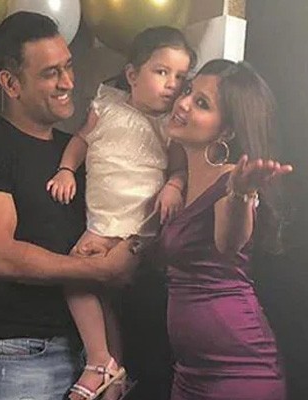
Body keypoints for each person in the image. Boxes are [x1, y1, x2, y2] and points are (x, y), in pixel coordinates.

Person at [0, 12, 139, 400]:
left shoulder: (75, 152)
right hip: (23, 353)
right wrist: (100, 269)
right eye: (50, 73)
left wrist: (113, 364)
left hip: (91, 356)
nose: (68, 82)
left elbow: (99, 256)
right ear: (11, 83)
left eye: (68, 67)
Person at [45, 27, 196, 400]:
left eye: (181, 77)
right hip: (100, 223)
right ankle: (109, 369)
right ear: (132, 74)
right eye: (161, 72)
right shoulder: (105, 106)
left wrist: (173, 185)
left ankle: (101, 364)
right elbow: (80, 141)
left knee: (92, 283)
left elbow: (179, 169)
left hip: (138, 229)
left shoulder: (171, 127)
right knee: (83, 282)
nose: (172, 84)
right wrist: (66, 169)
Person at [161, 59, 292, 400]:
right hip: (189, 372)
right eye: (188, 91)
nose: (183, 103)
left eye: (201, 103)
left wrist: (241, 193)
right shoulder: (182, 179)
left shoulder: (230, 179)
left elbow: (229, 243)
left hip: (239, 371)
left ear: (227, 131)